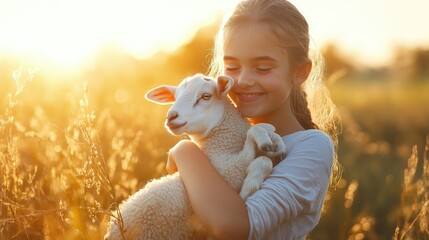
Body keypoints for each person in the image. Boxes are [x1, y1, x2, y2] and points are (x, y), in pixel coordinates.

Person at [168, 0, 341, 239]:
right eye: (232, 67)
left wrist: (185, 151)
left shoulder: (310, 146)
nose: (243, 80)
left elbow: (234, 228)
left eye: (262, 68)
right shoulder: (217, 141)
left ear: (300, 71)